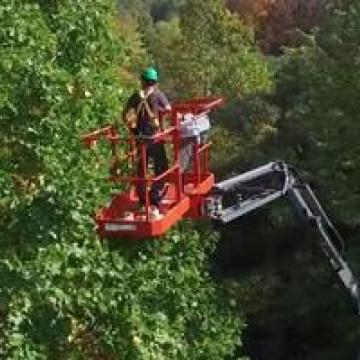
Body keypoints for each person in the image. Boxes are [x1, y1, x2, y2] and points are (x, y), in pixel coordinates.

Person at [123, 67, 171, 220]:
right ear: (155, 82)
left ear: (142, 81)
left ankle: (143, 202)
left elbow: (124, 114)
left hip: (139, 138)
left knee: (141, 169)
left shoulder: (136, 96)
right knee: (162, 168)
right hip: (154, 138)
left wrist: (131, 127)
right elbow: (169, 110)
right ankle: (154, 200)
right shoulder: (158, 95)